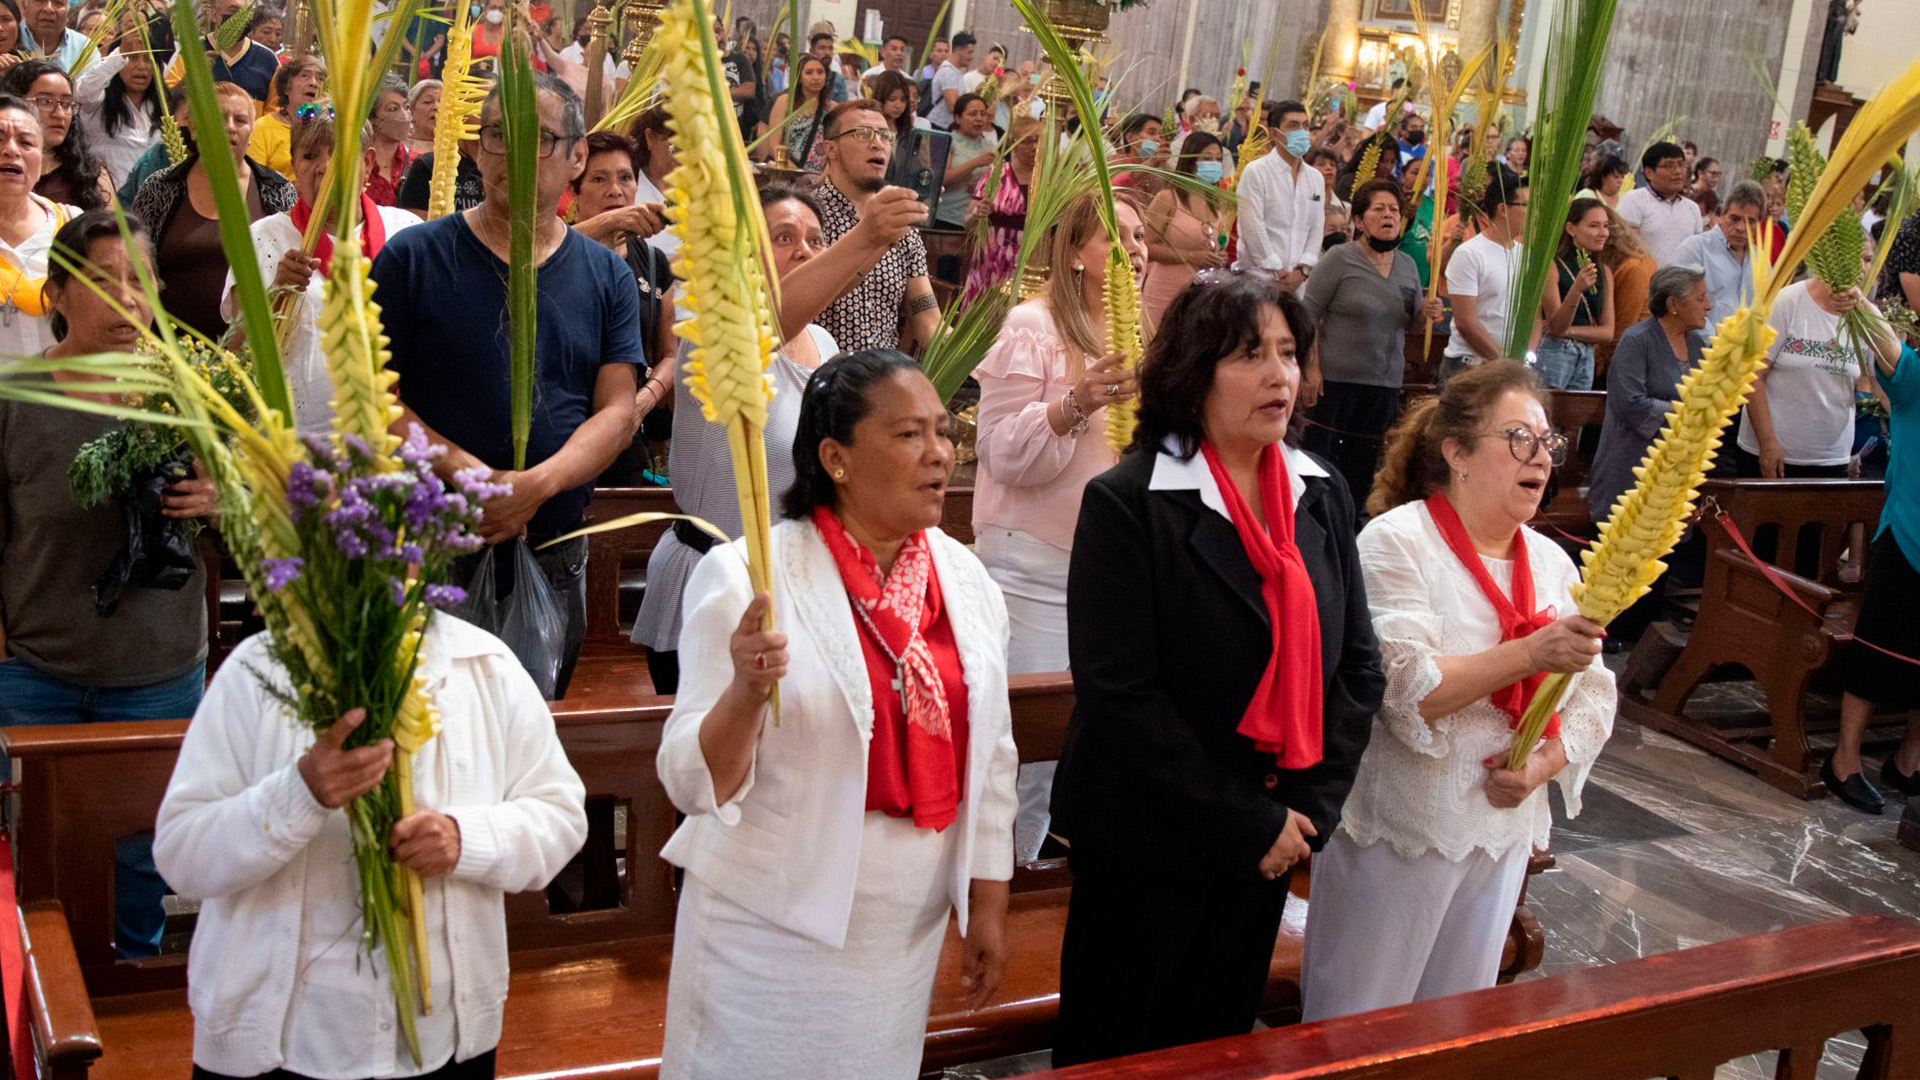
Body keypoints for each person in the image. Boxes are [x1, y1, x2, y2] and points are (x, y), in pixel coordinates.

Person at [655, 349, 1018, 1080]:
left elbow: (996, 758)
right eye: (910, 435)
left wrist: (988, 904)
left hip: (900, 928)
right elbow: (692, 785)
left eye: (944, 433)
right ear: (836, 457)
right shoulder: (751, 576)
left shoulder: (967, 580)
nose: (940, 454)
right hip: (767, 929)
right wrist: (745, 696)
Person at [1051, 272, 1382, 1065]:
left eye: (1288, 353)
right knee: (1118, 1049)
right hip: (1148, 841)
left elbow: (1359, 668)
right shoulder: (1130, 502)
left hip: (1270, 838)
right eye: (1249, 356)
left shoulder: (1320, 492)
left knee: (1217, 1048)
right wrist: (1250, 823)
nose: (1280, 375)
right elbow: (1120, 696)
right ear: (1194, 373)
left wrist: (1303, 815)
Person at [154, 600, 588, 1080]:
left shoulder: (486, 667)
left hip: (441, 1037)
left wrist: (466, 838)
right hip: (282, 1042)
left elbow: (561, 817)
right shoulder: (260, 669)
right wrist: (298, 795)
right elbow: (180, 852)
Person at [1302, 360, 1615, 1022]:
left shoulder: (1553, 561)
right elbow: (1406, 688)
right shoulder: (1398, 542)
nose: (1539, 457)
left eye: (1546, 442)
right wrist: (1531, 651)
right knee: (1361, 1017)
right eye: (1518, 439)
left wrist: (1540, 767)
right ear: (1456, 451)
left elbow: (1592, 696)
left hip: (1498, 830)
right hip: (1401, 830)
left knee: (1453, 1024)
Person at [371, 72, 642, 700]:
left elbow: (617, 411)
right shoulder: (414, 259)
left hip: (551, 547)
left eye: (540, 140)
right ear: (474, 148)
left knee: (526, 744)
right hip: (428, 547)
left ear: (577, 156)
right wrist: (469, 473)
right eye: (498, 136)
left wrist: (534, 487)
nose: (514, 157)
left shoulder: (605, 276)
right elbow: (372, 396)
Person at [1, 210, 217, 960]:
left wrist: (224, 498)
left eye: (141, 279)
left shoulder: (197, 394)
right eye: (103, 280)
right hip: (36, 674)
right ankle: (32, 1003)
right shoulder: (15, 398)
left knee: (141, 852)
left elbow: (261, 525)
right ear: (56, 294)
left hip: (156, 674)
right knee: (30, 852)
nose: (128, 297)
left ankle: (129, 992)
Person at [221, 109, 418, 437]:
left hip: (388, 443)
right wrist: (276, 293)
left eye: (338, 153)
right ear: (294, 166)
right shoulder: (263, 239)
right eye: (309, 155)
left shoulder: (408, 233)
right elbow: (236, 353)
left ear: (367, 162)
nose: (324, 167)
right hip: (291, 444)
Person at [1301, 178, 1444, 502]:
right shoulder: (1340, 258)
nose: (1388, 216)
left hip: (1383, 382)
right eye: (1378, 209)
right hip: (1335, 381)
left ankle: (1350, 529)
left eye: (1394, 209)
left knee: (1362, 464)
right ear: (1360, 220)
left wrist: (1427, 312)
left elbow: (1411, 321)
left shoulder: (1407, 265)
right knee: (1320, 461)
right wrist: (1311, 369)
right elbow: (1308, 314)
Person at [1825, 331, 1920, 814]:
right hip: (1908, 538)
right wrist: (1859, 298)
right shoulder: (1917, 378)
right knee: (1877, 654)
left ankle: (1908, 760)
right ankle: (1845, 761)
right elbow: (1890, 351)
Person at [132, 81, 295, 341]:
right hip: (171, 351)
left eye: (240, 120)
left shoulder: (277, 191)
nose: (230, 127)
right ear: (194, 128)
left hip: (253, 352)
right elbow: (135, 266)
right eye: (218, 118)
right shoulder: (161, 188)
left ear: (251, 130)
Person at [812, 98, 938, 356]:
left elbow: (927, 317)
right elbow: (802, 298)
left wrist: (978, 359)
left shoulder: (901, 221)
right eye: (862, 133)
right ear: (831, 149)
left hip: (879, 381)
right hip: (815, 380)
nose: (877, 142)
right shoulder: (809, 217)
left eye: (884, 135)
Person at [1588, 266, 1710, 529]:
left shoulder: (1700, 344)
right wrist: (1686, 416)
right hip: (1631, 462)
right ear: (1673, 304)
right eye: (1700, 298)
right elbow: (1632, 404)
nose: (1708, 306)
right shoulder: (1636, 340)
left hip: (1676, 466)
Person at [1735, 275, 1881, 479]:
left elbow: (1875, 383)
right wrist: (1767, 443)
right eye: (1858, 258)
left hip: (1833, 458)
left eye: (1868, 260)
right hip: (1772, 454)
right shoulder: (1786, 301)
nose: (1863, 268)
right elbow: (1752, 375)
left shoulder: (1867, 315)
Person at [1442, 164, 1528, 378]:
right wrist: (1503, 362)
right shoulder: (1470, 254)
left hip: (1510, 367)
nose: (1533, 212)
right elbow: (1466, 322)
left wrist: (1523, 360)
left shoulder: (1524, 254)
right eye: (1526, 205)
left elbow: (1533, 315)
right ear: (1501, 209)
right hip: (1471, 365)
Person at [1236, 100, 1324, 290]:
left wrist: (1303, 270)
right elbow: (1252, 226)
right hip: (1259, 278)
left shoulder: (1315, 177)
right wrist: (1276, 269)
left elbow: (1317, 228)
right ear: (1275, 133)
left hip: (1298, 281)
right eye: (1293, 125)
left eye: (1305, 125)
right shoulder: (1256, 171)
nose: (1302, 132)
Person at [1141, 130, 1226, 324]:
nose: (1214, 163)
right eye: (1207, 158)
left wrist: (1218, 255)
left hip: (1201, 296)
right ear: (1191, 161)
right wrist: (1190, 256)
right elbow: (1146, 246)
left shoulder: (1215, 201)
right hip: (1166, 292)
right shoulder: (1169, 198)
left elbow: (1213, 241)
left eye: (1218, 159)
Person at [2, 61, 111, 211]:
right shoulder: (5, 168)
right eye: (46, 102)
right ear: (16, 104)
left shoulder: (90, 173)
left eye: (66, 104)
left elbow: (114, 231)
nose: (59, 114)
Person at [1535, 197, 1616, 391]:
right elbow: (1557, 326)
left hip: (1586, 355)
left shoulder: (1604, 272)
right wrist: (1576, 289)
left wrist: (1571, 332)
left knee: (1576, 417)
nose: (1602, 233)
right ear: (1571, 228)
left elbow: (1607, 332)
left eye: (1605, 226)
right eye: (1594, 226)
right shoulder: (1553, 266)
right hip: (1554, 354)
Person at [961, 114, 1038, 303]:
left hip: (1029, 260)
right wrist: (977, 214)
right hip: (991, 257)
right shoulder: (997, 173)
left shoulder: (1047, 178)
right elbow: (968, 222)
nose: (1034, 147)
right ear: (1014, 144)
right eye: (1027, 141)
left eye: (1037, 141)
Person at [73, 45, 168, 189]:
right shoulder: (98, 101)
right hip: (106, 201)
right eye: (133, 58)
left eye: (148, 59)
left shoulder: (164, 107)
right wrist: (123, 49)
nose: (142, 66)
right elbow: (81, 92)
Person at [1673, 179, 1765, 327]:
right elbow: (1682, 307)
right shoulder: (1695, 249)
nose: (1741, 228)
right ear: (1722, 214)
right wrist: (1716, 344)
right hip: (1701, 345)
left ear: (1760, 223)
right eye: (1734, 219)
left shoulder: (1762, 261)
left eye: (1750, 222)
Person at [164, 0, 279, 106]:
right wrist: (190, 77)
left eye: (247, 12)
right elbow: (166, 99)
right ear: (214, 15)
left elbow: (277, 113)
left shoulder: (268, 59)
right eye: (233, 11)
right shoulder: (191, 51)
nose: (241, 18)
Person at [1616, 140, 1703, 265]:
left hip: (1681, 282)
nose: (1678, 171)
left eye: (1681, 165)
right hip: (1644, 281)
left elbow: (1696, 251)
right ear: (1649, 173)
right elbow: (1625, 248)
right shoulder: (1634, 201)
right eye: (1669, 166)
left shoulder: (1692, 208)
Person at [247, 55, 324, 179]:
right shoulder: (263, 127)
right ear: (287, 87)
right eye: (305, 76)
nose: (314, 83)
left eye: (320, 79)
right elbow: (254, 181)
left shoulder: (329, 128)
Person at [762, 54, 832, 172]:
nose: (816, 77)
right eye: (809, 73)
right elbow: (774, 145)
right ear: (799, 77)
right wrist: (793, 171)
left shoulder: (832, 108)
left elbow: (835, 150)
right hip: (787, 173)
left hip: (817, 179)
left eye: (820, 72)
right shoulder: (785, 102)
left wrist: (822, 178)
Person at [935, 92, 994, 229]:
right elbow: (941, 179)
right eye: (973, 114)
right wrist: (974, 163)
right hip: (945, 218)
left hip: (974, 222)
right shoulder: (947, 141)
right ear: (957, 118)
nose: (979, 119)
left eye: (983, 114)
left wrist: (982, 184)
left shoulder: (990, 147)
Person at [364, 74, 414, 206]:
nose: (404, 115)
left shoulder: (416, 163)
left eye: (406, 107)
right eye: (393, 109)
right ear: (372, 118)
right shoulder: (356, 164)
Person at [927, 30, 973, 130]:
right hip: (940, 127)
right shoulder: (948, 72)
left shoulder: (955, 72)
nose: (971, 57)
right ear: (959, 50)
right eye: (969, 53)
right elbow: (952, 106)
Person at [19, 0, 82, 70]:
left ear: (68, 11)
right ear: (24, 7)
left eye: (58, 2)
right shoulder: (8, 39)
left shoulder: (83, 47)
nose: (49, 9)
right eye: (40, 1)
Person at [406, 78, 440, 156]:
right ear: (411, 109)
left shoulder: (458, 147)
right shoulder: (399, 147)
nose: (437, 107)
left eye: (441, 101)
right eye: (428, 102)